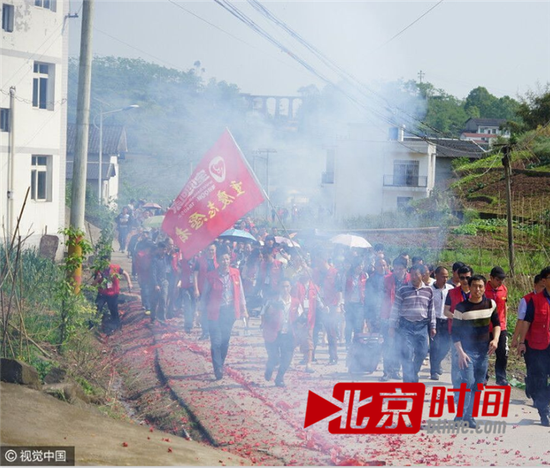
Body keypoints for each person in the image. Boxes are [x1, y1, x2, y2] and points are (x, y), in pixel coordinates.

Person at [452, 274, 500, 429]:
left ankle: (469, 415)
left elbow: (497, 324)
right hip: (467, 352)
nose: (477, 289)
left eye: (480, 286)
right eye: (474, 286)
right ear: (469, 287)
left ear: (484, 287)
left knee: (478, 384)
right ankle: (463, 414)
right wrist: (460, 353)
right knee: (467, 382)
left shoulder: (490, 304)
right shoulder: (461, 308)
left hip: (483, 353)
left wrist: (495, 339)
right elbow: (455, 333)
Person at [200, 251, 248, 380]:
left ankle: (220, 363)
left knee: (225, 341)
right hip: (214, 312)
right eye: (222, 259)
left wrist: (244, 309)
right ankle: (218, 368)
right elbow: (204, 295)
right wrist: (200, 312)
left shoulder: (235, 273)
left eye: (227, 259)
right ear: (218, 261)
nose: (225, 262)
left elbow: (241, 292)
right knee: (216, 341)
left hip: (229, 312)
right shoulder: (211, 276)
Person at [389, 264, 435, 383]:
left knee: (422, 352)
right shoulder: (402, 290)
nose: (413, 277)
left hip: (422, 326)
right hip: (406, 326)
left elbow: (431, 309)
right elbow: (395, 309)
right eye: (412, 275)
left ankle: (413, 372)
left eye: (416, 274)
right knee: (407, 354)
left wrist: (433, 326)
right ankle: (408, 383)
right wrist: (392, 326)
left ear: (422, 275)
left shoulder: (428, 290)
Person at [518, 266, 550, 426]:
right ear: (544, 280)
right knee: (541, 380)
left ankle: (543, 400)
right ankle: (544, 413)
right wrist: (521, 342)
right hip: (539, 347)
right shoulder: (535, 301)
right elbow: (526, 322)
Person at [262, 280, 303, 387]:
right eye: (283, 287)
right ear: (279, 288)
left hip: (288, 334)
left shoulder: (295, 302)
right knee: (274, 358)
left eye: (287, 286)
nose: (285, 289)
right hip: (274, 333)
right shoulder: (272, 301)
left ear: (290, 288)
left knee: (287, 358)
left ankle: (279, 378)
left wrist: (300, 329)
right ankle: (269, 368)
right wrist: (272, 310)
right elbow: (263, 315)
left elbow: (300, 318)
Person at [512, 274, 545, 401]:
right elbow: (521, 321)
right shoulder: (527, 300)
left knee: (542, 370)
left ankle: (539, 394)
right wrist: (516, 339)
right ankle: (533, 389)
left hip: (545, 341)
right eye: (541, 286)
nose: (544, 289)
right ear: (535, 285)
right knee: (533, 367)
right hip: (529, 341)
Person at [379, 256, 410, 381]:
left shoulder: (410, 280)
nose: (397, 271)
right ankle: (387, 371)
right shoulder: (386, 279)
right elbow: (381, 298)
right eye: (395, 269)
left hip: (404, 317)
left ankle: (396, 370)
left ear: (405, 269)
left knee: (400, 345)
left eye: (400, 269)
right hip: (388, 316)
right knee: (388, 344)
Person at [444, 265, 473, 390]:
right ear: (458, 278)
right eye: (462, 278)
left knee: (471, 360)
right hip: (456, 332)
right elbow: (446, 311)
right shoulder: (451, 293)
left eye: (467, 278)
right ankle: (457, 388)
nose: (465, 281)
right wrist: (457, 317)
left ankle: (468, 386)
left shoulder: (477, 293)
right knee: (457, 360)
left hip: (473, 334)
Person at [312, 253, 343, 365]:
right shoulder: (316, 272)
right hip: (319, 304)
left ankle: (333, 357)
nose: (317, 264)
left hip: (332, 306)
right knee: (314, 330)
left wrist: (339, 305)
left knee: (331, 331)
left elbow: (339, 290)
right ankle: (311, 356)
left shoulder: (335, 273)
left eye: (318, 261)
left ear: (324, 260)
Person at [93, 257, 133, 332]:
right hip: (102, 293)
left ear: (109, 262)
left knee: (113, 309)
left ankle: (116, 326)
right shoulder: (98, 270)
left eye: (107, 262)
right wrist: (97, 279)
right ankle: (94, 325)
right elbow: (93, 284)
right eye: (103, 263)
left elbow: (125, 273)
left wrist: (129, 283)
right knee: (98, 307)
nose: (105, 265)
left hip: (113, 293)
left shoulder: (115, 268)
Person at [484, 266, 509, 386]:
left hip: (500, 327)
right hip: (485, 326)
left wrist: (505, 322)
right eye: (498, 279)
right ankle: (483, 376)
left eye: (501, 280)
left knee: (502, 352)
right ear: (491, 278)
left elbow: (504, 307)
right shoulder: (483, 289)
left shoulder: (503, 289)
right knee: (483, 353)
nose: (500, 282)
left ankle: (501, 377)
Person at [429, 266, 453, 380]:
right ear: (436, 276)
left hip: (447, 320)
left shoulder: (450, 288)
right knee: (434, 346)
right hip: (435, 321)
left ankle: (437, 362)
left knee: (447, 345)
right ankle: (433, 371)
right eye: (443, 276)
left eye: (447, 277)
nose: (445, 279)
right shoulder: (429, 289)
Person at [194, 244, 218, 340]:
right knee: (203, 310)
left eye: (212, 250)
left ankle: (213, 331)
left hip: (215, 290)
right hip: (202, 288)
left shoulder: (218, 261)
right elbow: (195, 275)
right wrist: (196, 289)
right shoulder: (199, 260)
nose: (210, 252)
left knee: (214, 310)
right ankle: (205, 332)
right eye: (209, 250)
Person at [343, 259, 367, 347]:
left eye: (361, 265)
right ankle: (348, 343)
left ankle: (357, 344)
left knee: (358, 325)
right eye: (358, 265)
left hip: (360, 304)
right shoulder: (347, 276)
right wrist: (343, 302)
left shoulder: (365, 276)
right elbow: (343, 289)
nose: (360, 267)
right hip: (349, 304)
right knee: (349, 325)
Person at [364, 257, 387, 332]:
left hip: (387, 312)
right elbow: (367, 300)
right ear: (376, 267)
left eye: (384, 265)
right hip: (374, 313)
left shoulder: (390, 278)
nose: (382, 267)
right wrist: (367, 318)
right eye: (380, 265)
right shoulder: (370, 280)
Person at [150, 242, 171, 324]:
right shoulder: (155, 259)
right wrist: (156, 284)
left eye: (165, 249)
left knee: (163, 300)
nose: (163, 251)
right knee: (155, 301)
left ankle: (162, 318)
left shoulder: (166, 258)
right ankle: (153, 318)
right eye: (162, 249)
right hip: (156, 282)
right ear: (158, 249)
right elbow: (153, 273)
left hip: (164, 281)